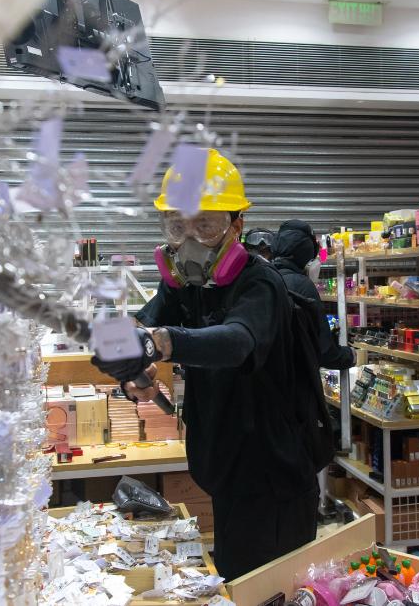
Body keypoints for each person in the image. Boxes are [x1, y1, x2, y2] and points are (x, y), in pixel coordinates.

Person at [91, 149, 318, 580]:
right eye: (177, 226)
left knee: (268, 588)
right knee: (232, 573)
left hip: (273, 475)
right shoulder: (187, 284)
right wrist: (127, 369)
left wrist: (160, 344)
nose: (189, 241)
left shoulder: (260, 283)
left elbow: (236, 342)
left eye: (206, 226)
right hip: (224, 464)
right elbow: (147, 320)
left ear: (237, 226)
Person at [272, 220, 355, 371]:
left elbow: (322, 259)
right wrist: (350, 355)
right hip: (296, 383)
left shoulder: (265, 278)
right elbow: (325, 352)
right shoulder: (303, 286)